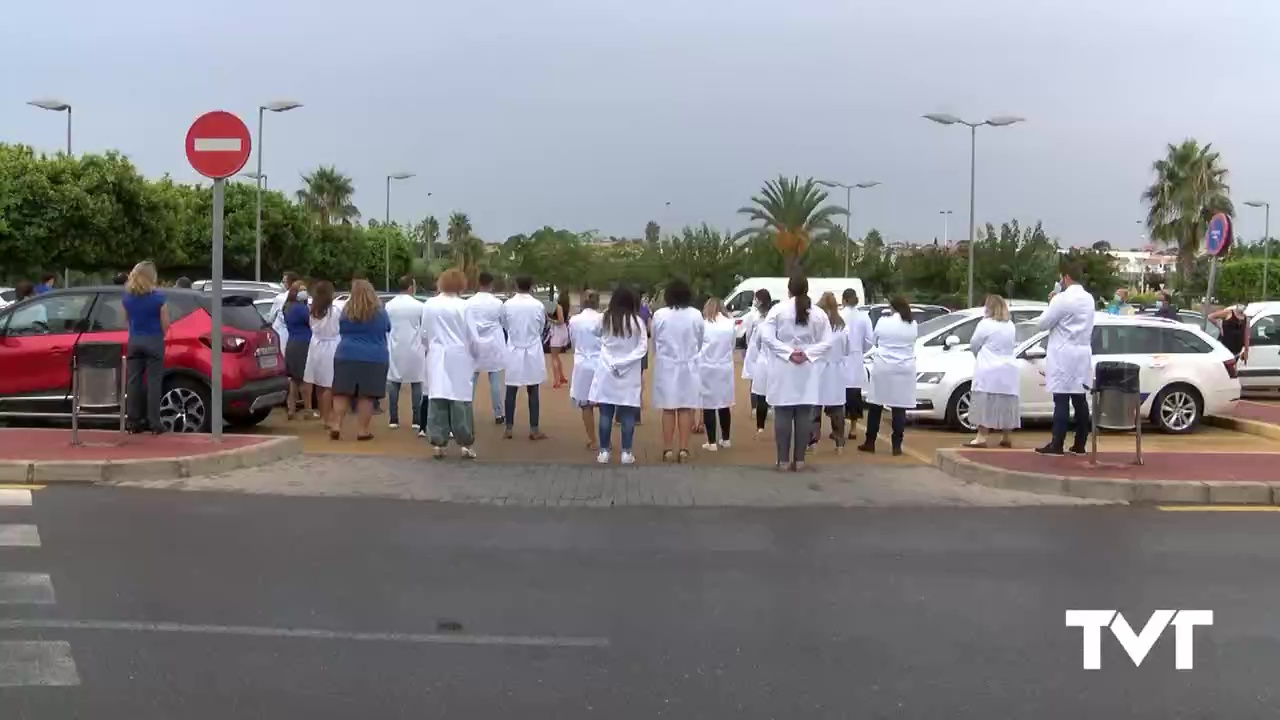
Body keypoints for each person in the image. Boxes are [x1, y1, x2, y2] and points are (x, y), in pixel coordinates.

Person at [760, 275, 831, 471]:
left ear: (788, 289)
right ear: (807, 289)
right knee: (803, 415)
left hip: (783, 368)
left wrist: (788, 353)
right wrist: (807, 354)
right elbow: (827, 342)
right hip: (807, 369)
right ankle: (799, 461)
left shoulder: (777, 310)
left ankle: (783, 460)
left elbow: (766, 337)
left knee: (783, 412)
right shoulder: (818, 314)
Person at [1035, 262, 1095, 455]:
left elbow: (1042, 324)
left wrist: (1052, 301)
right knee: (1080, 399)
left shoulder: (1062, 299)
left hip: (1063, 353)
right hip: (1082, 352)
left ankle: (1057, 444)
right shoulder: (1089, 298)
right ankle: (1080, 444)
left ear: (1066, 278)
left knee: (1060, 398)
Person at [421, 269, 479, 460]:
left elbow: (424, 334)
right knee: (460, 400)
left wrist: (430, 349)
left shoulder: (430, 304)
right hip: (459, 356)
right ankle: (465, 443)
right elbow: (473, 337)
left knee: (437, 397)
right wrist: (475, 356)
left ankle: (438, 443)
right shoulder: (464, 307)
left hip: (437, 354)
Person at [590, 286, 649, 465]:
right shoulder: (637, 321)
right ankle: (626, 453)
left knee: (606, 412)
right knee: (627, 413)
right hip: (629, 373)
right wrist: (626, 361)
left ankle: (604, 452)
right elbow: (643, 347)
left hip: (607, 370)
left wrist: (612, 359)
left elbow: (594, 332)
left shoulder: (605, 318)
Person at [329, 280, 391, 441]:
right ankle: (362, 430)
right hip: (373, 356)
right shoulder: (380, 312)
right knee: (366, 396)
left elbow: (341, 330)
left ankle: (336, 425)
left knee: (341, 392)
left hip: (345, 354)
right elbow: (387, 328)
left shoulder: (346, 312)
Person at [651, 278, 704, 462]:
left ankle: (667, 449)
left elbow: (655, 341)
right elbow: (700, 340)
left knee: (668, 409)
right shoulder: (696, 315)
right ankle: (683, 449)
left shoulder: (660, 315)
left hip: (667, 365)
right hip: (688, 364)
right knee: (684, 408)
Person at [859, 297, 917, 456]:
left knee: (876, 405)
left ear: (892, 308)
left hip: (884, 366)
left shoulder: (884, 322)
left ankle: (870, 442)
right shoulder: (913, 324)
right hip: (905, 368)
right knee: (899, 407)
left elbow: (874, 341)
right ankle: (896, 445)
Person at [121, 261, 170, 434]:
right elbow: (165, 323)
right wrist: (162, 334)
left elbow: (126, 321)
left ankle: (133, 421)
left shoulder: (127, 298)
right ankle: (154, 423)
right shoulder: (158, 297)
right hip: (154, 340)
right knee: (153, 382)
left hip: (134, 340)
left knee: (133, 381)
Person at [967, 294, 1020, 448]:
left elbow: (974, 344)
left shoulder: (985, 324)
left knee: (985, 402)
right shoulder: (1010, 325)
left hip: (988, 369)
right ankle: (1006, 436)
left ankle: (981, 437)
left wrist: (980, 355)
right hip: (1009, 369)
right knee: (1006, 403)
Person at [501, 275, 548, 440]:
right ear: (532, 286)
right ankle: (534, 429)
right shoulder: (538, 305)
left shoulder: (507, 305)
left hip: (513, 348)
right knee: (533, 390)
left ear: (515, 285)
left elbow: (505, 325)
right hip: (533, 349)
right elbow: (542, 326)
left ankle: (508, 428)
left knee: (511, 389)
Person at [465, 271, 507, 426]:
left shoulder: (468, 302)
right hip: (494, 344)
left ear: (478, 282)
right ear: (491, 284)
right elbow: (504, 323)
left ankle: (466, 411)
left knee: (471, 380)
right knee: (495, 381)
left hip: (475, 343)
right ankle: (498, 414)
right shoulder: (498, 303)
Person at [386, 275, 426, 430]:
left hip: (395, 347)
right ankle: (416, 419)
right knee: (416, 383)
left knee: (394, 383)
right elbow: (424, 327)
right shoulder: (419, 306)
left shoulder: (389, 305)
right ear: (410, 287)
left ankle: (393, 419)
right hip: (415, 348)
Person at [813, 292, 851, 453]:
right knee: (837, 408)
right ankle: (839, 443)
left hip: (818, 369)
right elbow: (847, 349)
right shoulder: (842, 326)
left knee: (814, 407)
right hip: (836, 370)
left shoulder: (816, 325)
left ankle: (812, 442)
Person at [697, 297, 736, 452]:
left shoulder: (703, 324)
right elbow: (732, 345)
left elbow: (698, 345)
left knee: (709, 404)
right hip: (724, 366)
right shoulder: (730, 323)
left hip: (707, 367)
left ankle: (711, 441)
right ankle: (726, 439)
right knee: (724, 403)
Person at [568, 290, 604, 450]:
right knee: (605, 405)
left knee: (586, 405)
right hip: (601, 363)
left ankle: (593, 439)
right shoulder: (603, 319)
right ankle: (605, 439)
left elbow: (573, 341)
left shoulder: (574, 320)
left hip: (582, 363)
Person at [304, 281, 340, 434]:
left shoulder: (313, 310)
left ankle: (323, 415)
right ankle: (327, 418)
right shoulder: (335, 310)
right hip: (331, 346)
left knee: (319, 383)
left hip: (315, 345)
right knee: (330, 385)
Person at [840, 289, 874, 442]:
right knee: (854, 395)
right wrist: (861, 350)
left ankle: (838, 427)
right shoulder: (863, 316)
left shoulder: (840, 315)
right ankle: (853, 429)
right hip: (856, 358)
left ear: (844, 300)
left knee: (838, 397)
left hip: (840, 359)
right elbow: (869, 340)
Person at [742, 289, 774, 438]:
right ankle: (755, 407)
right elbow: (748, 334)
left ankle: (767, 406)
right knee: (755, 381)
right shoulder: (752, 316)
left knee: (763, 383)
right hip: (757, 351)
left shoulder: (772, 316)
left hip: (764, 353)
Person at [282, 280, 314, 420]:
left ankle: (291, 409)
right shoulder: (301, 309)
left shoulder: (288, 307)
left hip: (292, 342)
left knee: (294, 379)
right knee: (305, 379)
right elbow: (312, 322)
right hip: (303, 344)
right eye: (302, 289)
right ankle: (308, 410)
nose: (304, 292)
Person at [268, 271, 302, 349]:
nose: (282, 284)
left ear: (289, 283)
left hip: (281, 334)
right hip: (297, 337)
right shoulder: (302, 298)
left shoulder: (281, 298)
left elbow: (271, 317)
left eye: (283, 282)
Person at [547, 290, 571, 388]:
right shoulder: (566, 307)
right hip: (563, 331)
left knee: (554, 357)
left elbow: (560, 321)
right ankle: (561, 376)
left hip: (557, 332)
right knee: (556, 356)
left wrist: (549, 319)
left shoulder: (558, 307)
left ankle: (557, 380)